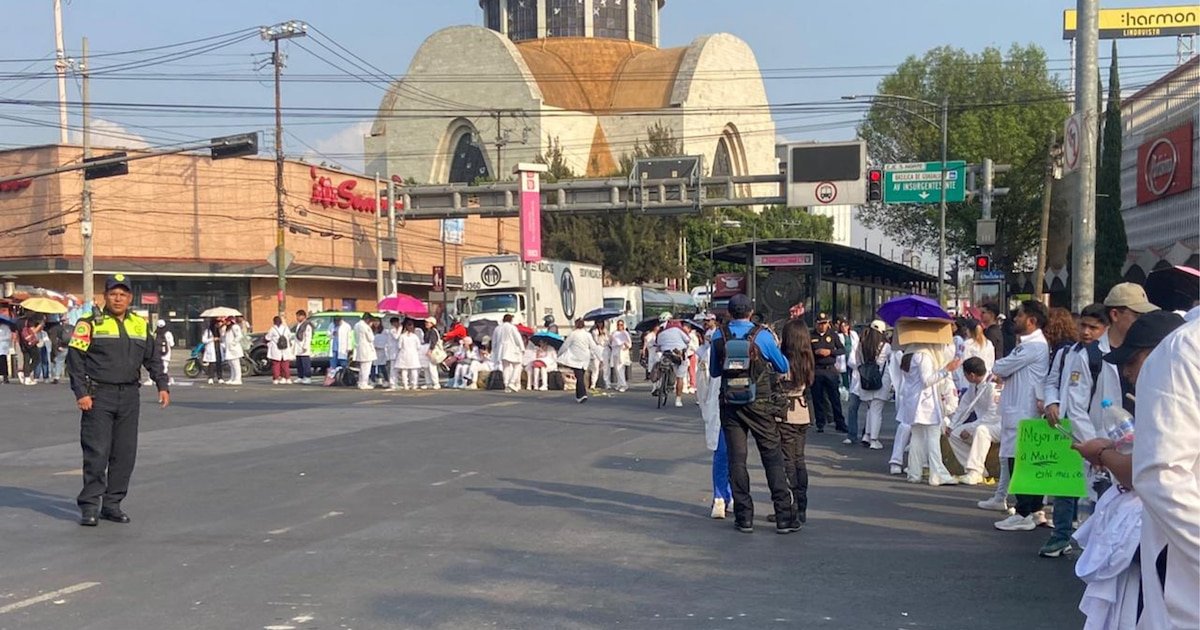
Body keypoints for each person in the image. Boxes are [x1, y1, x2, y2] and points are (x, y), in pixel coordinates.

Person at [1070, 311, 1185, 628]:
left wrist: (1104, 453)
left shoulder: (1175, 401)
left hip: (1170, 545)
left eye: (1132, 361)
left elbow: (1141, 472)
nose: (1127, 372)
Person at [66, 274, 170, 526]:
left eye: (123, 294)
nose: (118, 298)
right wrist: (81, 393)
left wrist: (162, 384)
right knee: (97, 453)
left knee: (124, 454)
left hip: (129, 396)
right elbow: (75, 361)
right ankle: (90, 505)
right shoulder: (89, 323)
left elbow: (152, 358)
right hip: (98, 396)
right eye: (113, 293)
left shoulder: (139, 325)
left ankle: (112, 504)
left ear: (130, 298)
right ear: (105, 296)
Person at [709, 294, 796, 534]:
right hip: (759, 402)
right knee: (772, 456)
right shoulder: (763, 336)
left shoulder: (719, 335)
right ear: (751, 311)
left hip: (730, 403)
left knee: (737, 460)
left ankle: (744, 517)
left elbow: (715, 372)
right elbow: (783, 366)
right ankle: (784, 517)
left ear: (729, 312)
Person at [1038, 303, 1109, 557]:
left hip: (1094, 431)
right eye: (1084, 326)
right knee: (1064, 486)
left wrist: (1093, 441)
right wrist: (1051, 402)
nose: (1087, 332)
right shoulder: (1066, 352)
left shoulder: (1105, 357)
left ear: (1105, 328)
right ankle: (1061, 536)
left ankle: (1096, 544)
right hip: (1066, 428)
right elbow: (1051, 381)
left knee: (1097, 489)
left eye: (1094, 327)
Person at [992, 300, 1052, 531]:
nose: (1015, 319)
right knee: (1026, 461)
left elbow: (999, 368)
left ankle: (1024, 512)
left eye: (1020, 315)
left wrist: (1002, 368)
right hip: (1020, 409)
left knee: (1019, 462)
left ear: (1032, 321)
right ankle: (1035, 510)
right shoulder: (1029, 345)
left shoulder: (1032, 347)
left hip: (1022, 412)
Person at [897, 337, 961, 486]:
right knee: (932, 437)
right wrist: (946, 370)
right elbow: (927, 380)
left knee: (917, 437)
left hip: (912, 401)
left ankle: (914, 472)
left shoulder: (909, 354)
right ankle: (937, 474)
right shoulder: (924, 356)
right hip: (925, 402)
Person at [778, 316, 815, 526]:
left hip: (786, 412)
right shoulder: (808, 359)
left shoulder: (785, 361)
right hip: (803, 411)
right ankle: (802, 507)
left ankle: (790, 507)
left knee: (787, 461)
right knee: (799, 460)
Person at [1101, 282, 1159, 415]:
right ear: (1115, 314)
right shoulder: (1090, 354)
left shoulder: (1150, 351)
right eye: (1137, 316)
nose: (1143, 321)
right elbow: (1078, 408)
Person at [945, 357, 1000, 485]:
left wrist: (971, 428)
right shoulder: (973, 386)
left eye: (965, 374)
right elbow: (964, 407)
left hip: (998, 424)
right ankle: (977, 471)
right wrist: (952, 425)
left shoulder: (992, 386)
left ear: (972, 375)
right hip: (981, 422)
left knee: (981, 431)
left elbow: (993, 415)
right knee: (954, 435)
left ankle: (975, 471)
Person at [696, 315, 730, 518]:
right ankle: (733, 496)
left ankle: (720, 498)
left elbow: (702, 385)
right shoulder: (752, 344)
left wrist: (705, 408)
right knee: (737, 454)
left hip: (719, 407)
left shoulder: (712, 351)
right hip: (743, 408)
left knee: (721, 454)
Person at [850, 320, 891, 449]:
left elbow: (857, 362)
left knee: (870, 409)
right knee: (876, 411)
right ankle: (874, 439)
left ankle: (867, 435)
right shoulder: (886, 346)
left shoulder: (861, 345)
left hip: (865, 380)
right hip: (880, 381)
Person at [809, 312, 846, 433]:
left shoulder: (833, 335)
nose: (822, 326)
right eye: (820, 324)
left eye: (825, 323)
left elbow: (842, 350)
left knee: (834, 398)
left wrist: (830, 352)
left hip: (830, 369)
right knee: (817, 398)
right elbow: (807, 352)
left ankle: (839, 422)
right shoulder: (811, 336)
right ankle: (820, 423)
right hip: (817, 370)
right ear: (816, 324)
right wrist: (816, 353)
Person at [557, 319, 601, 403]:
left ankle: (582, 395)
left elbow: (565, 345)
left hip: (575, 357)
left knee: (579, 376)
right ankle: (579, 395)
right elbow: (593, 346)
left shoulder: (573, 334)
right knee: (580, 376)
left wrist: (559, 354)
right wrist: (600, 357)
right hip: (584, 357)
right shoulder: (587, 335)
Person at [655, 319, 691, 407]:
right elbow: (687, 340)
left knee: (660, 365)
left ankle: (659, 384)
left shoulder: (661, 333)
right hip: (678, 354)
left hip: (666, 354)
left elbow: (657, 343)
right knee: (680, 377)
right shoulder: (678, 330)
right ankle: (678, 399)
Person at [493, 314, 525, 392]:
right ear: (510, 320)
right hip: (512, 348)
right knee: (517, 365)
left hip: (501, 349)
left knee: (505, 367)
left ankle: (506, 385)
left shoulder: (497, 328)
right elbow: (517, 338)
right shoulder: (512, 327)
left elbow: (494, 341)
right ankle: (512, 382)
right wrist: (522, 348)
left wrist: (494, 350)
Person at [392, 319, 422, 390]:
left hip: (403, 353)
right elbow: (418, 346)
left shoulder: (402, 336)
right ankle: (414, 384)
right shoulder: (415, 336)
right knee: (413, 370)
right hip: (413, 354)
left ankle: (405, 385)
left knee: (404, 370)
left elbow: (399, 346)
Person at [144, 320, 174, 387]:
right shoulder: (168, 334)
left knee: (153, 366)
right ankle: (165, 381)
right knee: (164, 368)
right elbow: (172, 344)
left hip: (156, 353)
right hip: (166, 354)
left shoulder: (155, 333)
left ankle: (151, 380)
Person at [351, 314, 377, 391]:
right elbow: (371, 338)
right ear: (368, 319)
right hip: (366, 349)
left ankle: (360, 382)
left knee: (362, 367)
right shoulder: (366, 326)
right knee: (366, 367)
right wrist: (371, 328)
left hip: (360, 347)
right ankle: (364, 383)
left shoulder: (356, 325)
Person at [264, 315, 293, 385]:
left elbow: (267, 338)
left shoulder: (273, 329)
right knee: (285, 364)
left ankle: (276, 378)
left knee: (276, 364)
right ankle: (287, 378)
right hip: (285, 349)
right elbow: (289, 336)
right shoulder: (286, 328)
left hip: (276, 349)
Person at [607, 319, 633, 392]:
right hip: (615, 351)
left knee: (620, 368)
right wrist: (611, 339)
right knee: (616, 368)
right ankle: (619, 383)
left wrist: (626, 345)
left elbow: (630, 344)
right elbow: (610, 343)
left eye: (621, 325)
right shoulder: (614, 333)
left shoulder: (625, 333)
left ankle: (623, 384)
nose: (619, 326)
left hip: (622, 351)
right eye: (618, 325)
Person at [222, 316, 245, 385]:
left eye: (227, 321)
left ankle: (238, 379)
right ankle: (232, 378)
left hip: (234, 349)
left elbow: (239, 336)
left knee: (236, 364)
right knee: (231, 364)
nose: (225, 322)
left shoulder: (235, 327)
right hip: (229, 349)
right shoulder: (227, 328)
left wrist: (233, 343)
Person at [420, 316, 442, 390]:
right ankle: (428, 383)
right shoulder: (428, 331)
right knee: (426, 368)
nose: (426, 323)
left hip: (432, 351)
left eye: (428, 322)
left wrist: (430, 350)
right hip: (426, 350)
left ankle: (436, 383)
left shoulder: (433, 331)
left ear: (432, 323)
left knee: (432, 367)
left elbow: (433, 342)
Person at [293, 310, 314, 384]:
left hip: (304, 347)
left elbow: (308, 337)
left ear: (303, 316)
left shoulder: (307, 325)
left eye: (298, 316)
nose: (297, 318)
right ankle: (300, 376)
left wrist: (305, 346)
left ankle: (307, 377)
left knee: (305, 362)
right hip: (298, 346)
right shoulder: (299, 324)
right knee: (299, 362)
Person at [201, 318, 223, 384]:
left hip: (218, 347)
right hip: (211, 348)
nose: (218, 324)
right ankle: (211, 377)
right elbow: (204, 340)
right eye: (217, 323)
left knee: (219, 363)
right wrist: (212, 339)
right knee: (212, 364)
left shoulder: (220, 330)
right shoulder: (208, 331)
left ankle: (220, 377)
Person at [590, 321, 609, 390]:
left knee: (605, 367)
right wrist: (600, 335)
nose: (600, 324)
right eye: (599, 322)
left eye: (601, 322)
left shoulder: (605, 330)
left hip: (604, 350)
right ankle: (593, 384)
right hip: (597, 350)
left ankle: (607, 383)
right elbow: (596, 341)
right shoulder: (594, 331)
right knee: (595, 367)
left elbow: (607, 340)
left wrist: (604, 335)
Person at [0, 311, 15, 383]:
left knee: (2, 361)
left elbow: (8, 337)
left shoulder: (5, 327)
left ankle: (5, 377)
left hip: (3, 346)